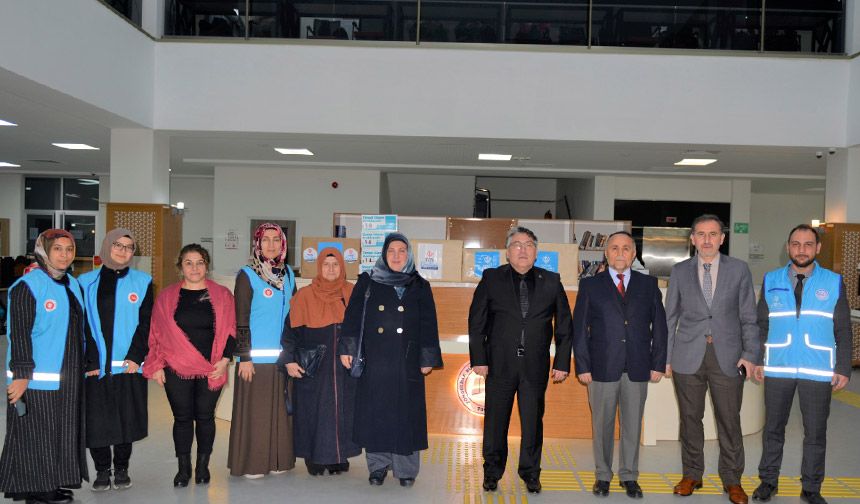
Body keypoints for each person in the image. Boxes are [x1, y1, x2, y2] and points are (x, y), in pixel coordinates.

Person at [752, 224, 853, 504]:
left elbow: (843, 329)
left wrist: (843, 367)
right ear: (788, 247)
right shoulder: (771, 279)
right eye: (796, 244)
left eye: (808, 244)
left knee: (815, 433)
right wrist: (759, 359)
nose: (801, 249)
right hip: (778, 367)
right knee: (773, 429)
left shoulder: (833, 281)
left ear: (817, 248)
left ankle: (811, 487)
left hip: (817, 369)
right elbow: (761, 325)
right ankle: (768, 481)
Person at [468, 226, 572, 495]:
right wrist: (478, 358)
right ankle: (492, 472)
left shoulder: (551, 280)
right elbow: (476, 322)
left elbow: (564, 325)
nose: (522, 249)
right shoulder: (492, 278)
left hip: (535, 366)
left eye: (528, 244)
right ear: (507, 251)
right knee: (495, 422)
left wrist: (561, 362)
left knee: (533, 422)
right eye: (517, 244)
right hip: (499, 364)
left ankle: (530, 473)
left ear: (536, 252)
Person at [665, 214, 759, 504]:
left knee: (729, 421)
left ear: (722, 238)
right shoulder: (679, 271)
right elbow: (670, 318)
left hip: (728, 357)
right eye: (701, 234)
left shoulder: (739, 270)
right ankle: (692, 474)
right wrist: (665, 358)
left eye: (713, 234)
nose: (707, 239)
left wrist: (750, 354)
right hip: (687, 356)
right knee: (690, 419)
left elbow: (748, 318)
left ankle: (732, 480)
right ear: (692, 239)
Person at [339, 233, 443, 487]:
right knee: (376, 413)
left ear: (409, 255)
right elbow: (352, 317)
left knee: (406, 415)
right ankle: (377, 467)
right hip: (375, 358)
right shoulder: (368, 281)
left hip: (407, 361)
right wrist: (348, 348)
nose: (397, 256)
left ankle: (406, 470)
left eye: (402, 251)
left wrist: (427, 356)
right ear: (383, 254)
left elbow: (429, 324)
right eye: (391, 251)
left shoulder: (420, 285)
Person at [573, 231, 667, 499]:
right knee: (601, 425)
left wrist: (658, 362)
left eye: (626, 248)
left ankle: (629, 476)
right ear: (606, 253)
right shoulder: (591, 285)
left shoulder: (648, 285)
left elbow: (659, 326)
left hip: (638, 366)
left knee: (632, 425)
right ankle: (603, 475)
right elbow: (580, 329)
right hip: (601, 367)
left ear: (633, 253)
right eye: (614, 248)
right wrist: (583, 365)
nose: (620, 253)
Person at [0, 229, 87, 504]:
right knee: (39, 435)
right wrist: (22, 375)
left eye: (69, 249)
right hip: (37, 378)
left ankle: (53, 481)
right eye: (58, 249)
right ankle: (38, 492)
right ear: (44, 251)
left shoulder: (72, 283)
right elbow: (20, 334)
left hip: (68, 374)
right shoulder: (28, 286)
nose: (64, 255)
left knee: (61, 431)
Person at [143, 244, 236, 487]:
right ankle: (183, 469)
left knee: (205, 417)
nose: (194, 268)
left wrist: (224, 361)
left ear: (207, 265)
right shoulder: (166, 296)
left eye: (199, 262)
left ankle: (202, 467)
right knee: (182, 418)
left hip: (211, 367)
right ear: (180, 267)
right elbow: (156, 333)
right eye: (188, 262)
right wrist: (157, 365)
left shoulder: (223, 295)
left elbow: (231, 333)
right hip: (175, 368)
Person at [79, 229, 153, 491]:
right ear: (107, 246)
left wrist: (135, 356)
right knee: (97, 422)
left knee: (126, 420)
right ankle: (101, 470)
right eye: (118, 245)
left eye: (129, 247)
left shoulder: (143, 281)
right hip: (95, 367)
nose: (123, 251)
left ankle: (121, 468)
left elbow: (147, 324)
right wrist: (89, 361)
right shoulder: (84, 281)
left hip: (128, 366)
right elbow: (81, 325)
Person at [280, 247, 360, 475]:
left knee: (343, 411)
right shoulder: (304, 296)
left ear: (342, 267)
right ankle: (314, 458)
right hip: (313, 366)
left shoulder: (352, 293)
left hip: (343, 368)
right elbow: (289, 333)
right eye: (326, 264)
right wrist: (288, 360)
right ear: (319, 267)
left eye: (336, 265)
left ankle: (339, 456)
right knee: (312, 412)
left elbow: (363, 330)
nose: (331, 269)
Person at [227, 223, 296, 478]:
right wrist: (244, 357)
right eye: (265, 240)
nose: (270, 245)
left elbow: (293, 318)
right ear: (257, 244)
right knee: (256, 415)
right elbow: (241, 319)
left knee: (280, 413)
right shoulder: (247, 274)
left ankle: (278, 460)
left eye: (275, 240)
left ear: (283, 243)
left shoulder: (288, 273)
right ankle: (254, 464)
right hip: (254, 362)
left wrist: (291, 353)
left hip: (281, 360)